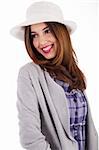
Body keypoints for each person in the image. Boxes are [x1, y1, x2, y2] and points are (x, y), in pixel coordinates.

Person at [10, 1, 98, 150]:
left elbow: (88, 132)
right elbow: (30, 137)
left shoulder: (72, 72)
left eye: (47, 31)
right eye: (34, 35)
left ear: (60, 32)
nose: (41, 41)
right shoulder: (29, 74)